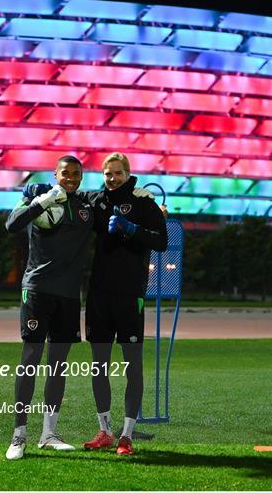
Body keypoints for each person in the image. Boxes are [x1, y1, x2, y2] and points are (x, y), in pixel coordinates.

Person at [4, 155, 94, 460]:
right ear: (56, 174)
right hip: (38, 290)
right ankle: (19, 436)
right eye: (65, 173)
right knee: (30, 358)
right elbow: (11, 224)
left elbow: (116, 195)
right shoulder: (37, 196)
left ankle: (49, 433)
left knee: (58, 365)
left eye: (76, 174)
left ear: (81, 177)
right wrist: (38, 201)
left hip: (68, 296)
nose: (70, 178)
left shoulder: (86, 206)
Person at [81, 153, 168, 456]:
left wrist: (132, 230)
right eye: (107, 173)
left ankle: (126, 436)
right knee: (98, 366)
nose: (112, 178)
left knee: (133, 366)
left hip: (130, 295)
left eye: (117, 173)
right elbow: (68, 197)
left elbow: (162, 241)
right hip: (99, 295)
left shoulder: (143, 200)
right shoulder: (96, 200)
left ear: (127, 173)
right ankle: (105, 430)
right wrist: (41, 192)